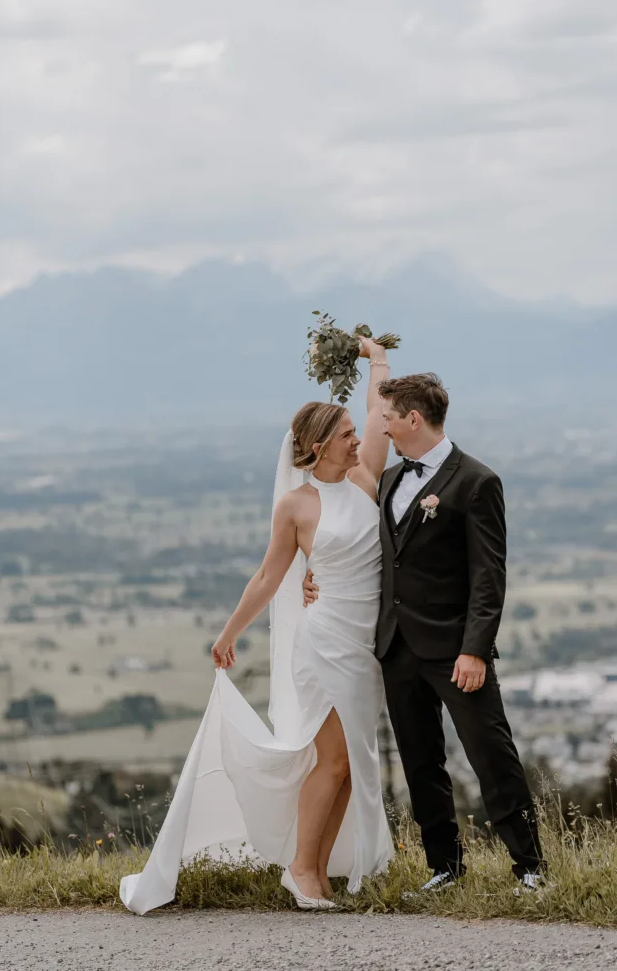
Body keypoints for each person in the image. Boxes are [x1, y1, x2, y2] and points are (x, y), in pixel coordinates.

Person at [119, 337, 394, 915]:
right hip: (324, 643)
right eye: (344, 435)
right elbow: (269, 578)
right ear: (319, 446)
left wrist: (376, 360)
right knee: (338, 760)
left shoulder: (366, 479)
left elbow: (376, 412)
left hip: (367, 643)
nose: (357, 439)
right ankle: (302, 869)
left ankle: (316, 867)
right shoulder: (297, 504)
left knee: (352, 764)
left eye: (353, 433)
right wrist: (228, 634)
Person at [304, 373, 545, 892]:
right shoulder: (388, 480)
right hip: (395, 647)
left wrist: (475, 650)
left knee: (491, 754)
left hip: (456, 650)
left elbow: (488, 575)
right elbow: (370, 554)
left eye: (387, 418)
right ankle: (445, 867)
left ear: (414, 419)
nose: (382, 428)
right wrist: (313, 575)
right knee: (421, 761)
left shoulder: (476, 482)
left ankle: (529, 868)